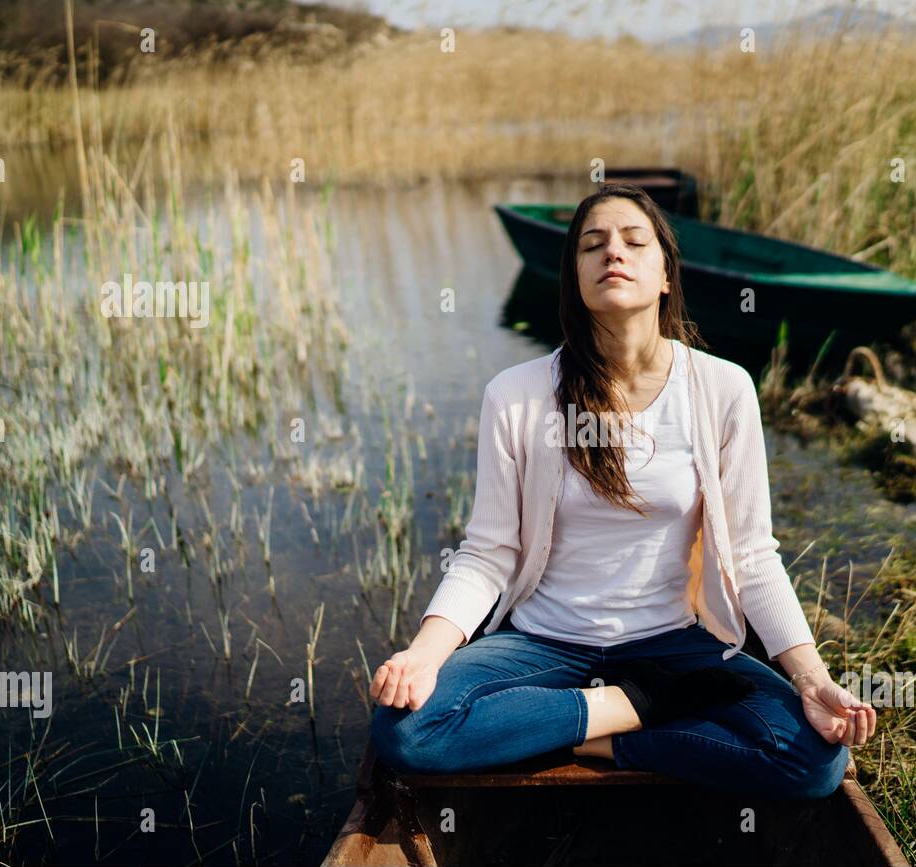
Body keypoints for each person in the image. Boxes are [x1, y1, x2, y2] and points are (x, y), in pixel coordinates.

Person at [368, 183, 876, 800]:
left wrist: (811, 678)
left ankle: (595, 731)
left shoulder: (723, 390)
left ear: (665, 275)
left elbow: (751, 556)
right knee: (408, 732)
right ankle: (643, 706)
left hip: (673, 647)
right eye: (593, 245)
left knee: (811, 760)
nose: (614, 253)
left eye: (635, 242)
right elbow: (488, 552)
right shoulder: (518, 393)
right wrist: (424, 653)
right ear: (575, 277)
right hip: (542, 644)